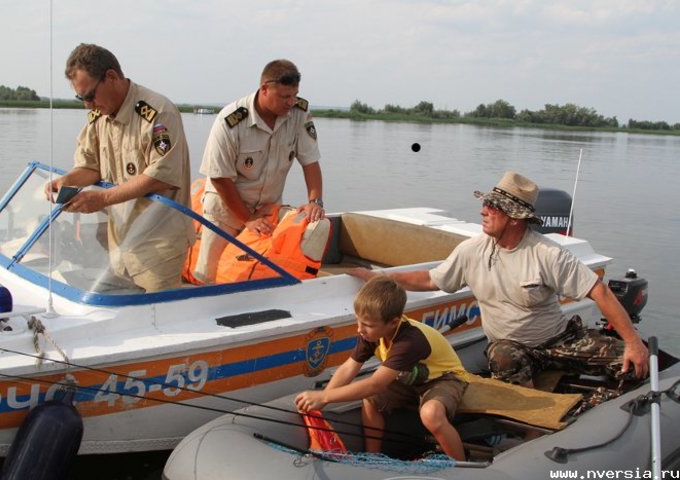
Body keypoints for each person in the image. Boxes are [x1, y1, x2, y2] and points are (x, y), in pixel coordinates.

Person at [351, 172, 649, 387]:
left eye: (492, 207)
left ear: (514, 217)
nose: (483, 210)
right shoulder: (471, 251)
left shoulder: (547, 253)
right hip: (512, 349)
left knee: (630, 361)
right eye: (486, 204)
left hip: (560, 340)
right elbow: (431, 280)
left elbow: (600, 293)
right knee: (503, 356)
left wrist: (633, 343)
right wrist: (381, 278)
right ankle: (534, 422)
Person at [46, 43, 193, 292]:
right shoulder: (98, 116)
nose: (87, 105)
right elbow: (90, 166)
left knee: (157, 321)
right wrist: (67, 181)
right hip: (118, 243)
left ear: (111, 77)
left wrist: (102, 198)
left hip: (157, 245)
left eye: (90, 95)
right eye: (80, 98)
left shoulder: (158, 113)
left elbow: (161, 177)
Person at [295, 276, 470, 460]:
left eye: (368, 325)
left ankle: (462, 467)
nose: (359, 329)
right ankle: (373, 458)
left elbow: (375, 384)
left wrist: (324, 395)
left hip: (443, 378)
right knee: (370, 400)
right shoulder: (371, 334)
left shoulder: (410, 341)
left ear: (393, 322)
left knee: (431, 414)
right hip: (409, 378)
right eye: (358, 321)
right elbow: (349, 367)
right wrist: (324, 400)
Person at [193, 59, 324, 284]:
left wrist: (315, 202)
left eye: (294, 95)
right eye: (285, 97)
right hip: (226, 209)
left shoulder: (299, 114)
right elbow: (220, 177)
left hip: (266, 210)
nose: (291, 102)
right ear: (264, 89)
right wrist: (247, 218)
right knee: (209, 276)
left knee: (258, 275)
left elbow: (310, 162)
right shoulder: (231, 120)